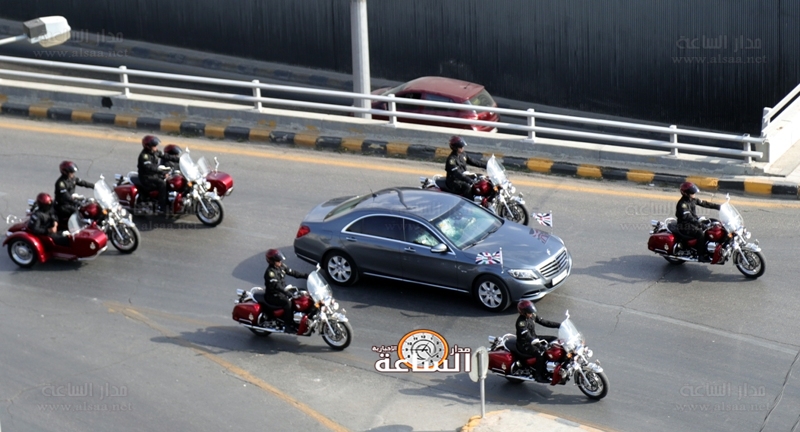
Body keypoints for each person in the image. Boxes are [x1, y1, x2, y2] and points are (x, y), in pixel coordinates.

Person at [263, 249, 308, 333]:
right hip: (273, 295)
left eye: (280, 260)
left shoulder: (281, 266)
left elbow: (293, 272)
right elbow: (277, 286)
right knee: (288, 303)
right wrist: (287, 293)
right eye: (278, 261)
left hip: (282, 291)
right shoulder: (270, 272)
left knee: (302, 292)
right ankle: (287, 325)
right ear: (272, 261)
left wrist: (306, 276)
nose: (280, 262)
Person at [515, 300, 560, 382]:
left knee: (554, 339)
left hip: (534, 338)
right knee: (540, 353)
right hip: (525, 344)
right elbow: (527, 336)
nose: (531, 314)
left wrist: (559, 325)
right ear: (523, 312)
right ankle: (538, 376)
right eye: (529, 312)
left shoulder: (532, 316)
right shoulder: (521, 322)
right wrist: (538, 344)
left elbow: (545, 322)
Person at [675, 182, 720, 262]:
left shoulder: (693, 200)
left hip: (693, 222)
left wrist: (719, 207)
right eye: (692, 193)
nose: (694, 194)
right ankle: (700, 255)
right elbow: (688, 217)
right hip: (684, 225)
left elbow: (705, 203)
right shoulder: (682, 204)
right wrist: (700, 224)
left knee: (714, 222)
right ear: (686, 193)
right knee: (700, 233)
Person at [54, 161, 95, 227]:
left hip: (71, 201)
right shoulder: (61, 183)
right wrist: (76, 202)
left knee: (89, 204)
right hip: (63, 204)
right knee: (77, 212)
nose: (73, 173)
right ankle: (77, 228)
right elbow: (66, 196)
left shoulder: (72, 178)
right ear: (65, 172)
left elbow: (83, 183)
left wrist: (94, 186)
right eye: (71, 172)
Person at [137, 135, 168, 212]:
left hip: (154, 175)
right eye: (154, 146)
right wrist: (161, 170)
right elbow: (150, 167)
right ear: (148, 147)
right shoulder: (144, 156)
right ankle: (162, 207)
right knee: (162, 184)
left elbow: (165, 156)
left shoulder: (155, 152)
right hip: (146, 178)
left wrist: (178, 159)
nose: (156, 147)